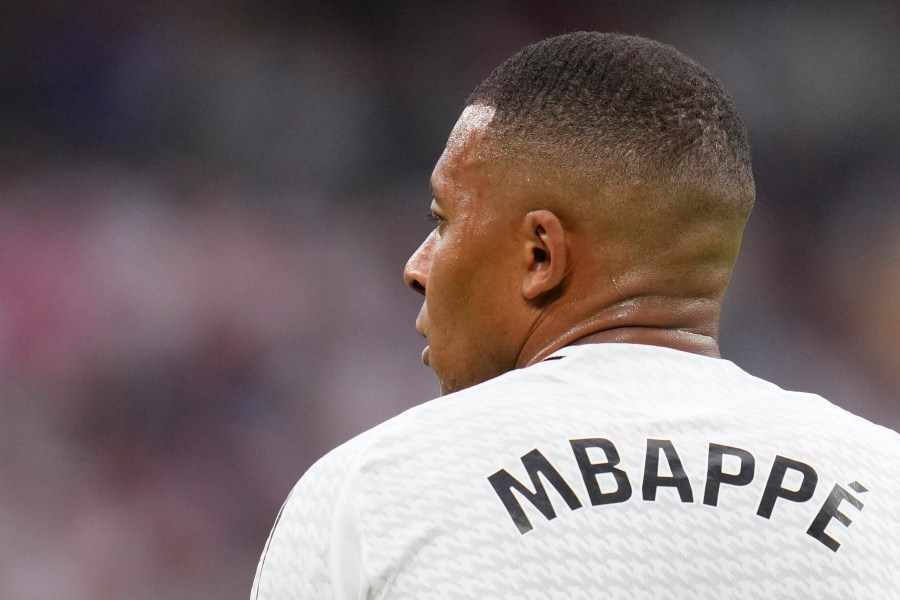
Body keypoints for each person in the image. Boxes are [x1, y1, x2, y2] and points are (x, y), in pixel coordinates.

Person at [250, 32, 900, 599]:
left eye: (441, 220)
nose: (417, 266)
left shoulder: (376, 495)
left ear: (540, 254)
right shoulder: (886, 492)